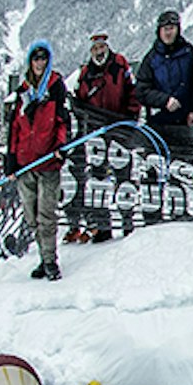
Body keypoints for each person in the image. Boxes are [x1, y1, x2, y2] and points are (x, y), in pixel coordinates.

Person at [4, 41, 71, 281]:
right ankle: (43, 258)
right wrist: (10, 160)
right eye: (35, 59)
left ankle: (51, 261)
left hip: (48, 162)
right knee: (31, 217)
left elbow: (63, 121)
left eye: (43, 59)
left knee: (46, 215)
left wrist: (61, 146)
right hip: (25, 164)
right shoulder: (23, 91)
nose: (39, 63)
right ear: (30, 62)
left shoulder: (55, 87)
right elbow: (14, 128)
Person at [68, 30, 138, 242]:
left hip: (120, 130)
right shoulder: (86, 73)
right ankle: (102, 226)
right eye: (95, 49)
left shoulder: (120, 64)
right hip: (96, 135)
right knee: (98, 179)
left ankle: (127, 223)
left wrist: (131, 119)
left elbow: (132, 93)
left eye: (101, 47)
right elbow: (79, 99)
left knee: (123, 177)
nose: (99, 52)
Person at [133, 9, 193, 160]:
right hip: (158, 124)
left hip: (184, 125)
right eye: (165, 29)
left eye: (172, 28)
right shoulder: (151, 58)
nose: (168, 33)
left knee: (183, 169)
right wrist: (164, 100)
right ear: (159, 31)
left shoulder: (188, 53)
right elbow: (141, 91)